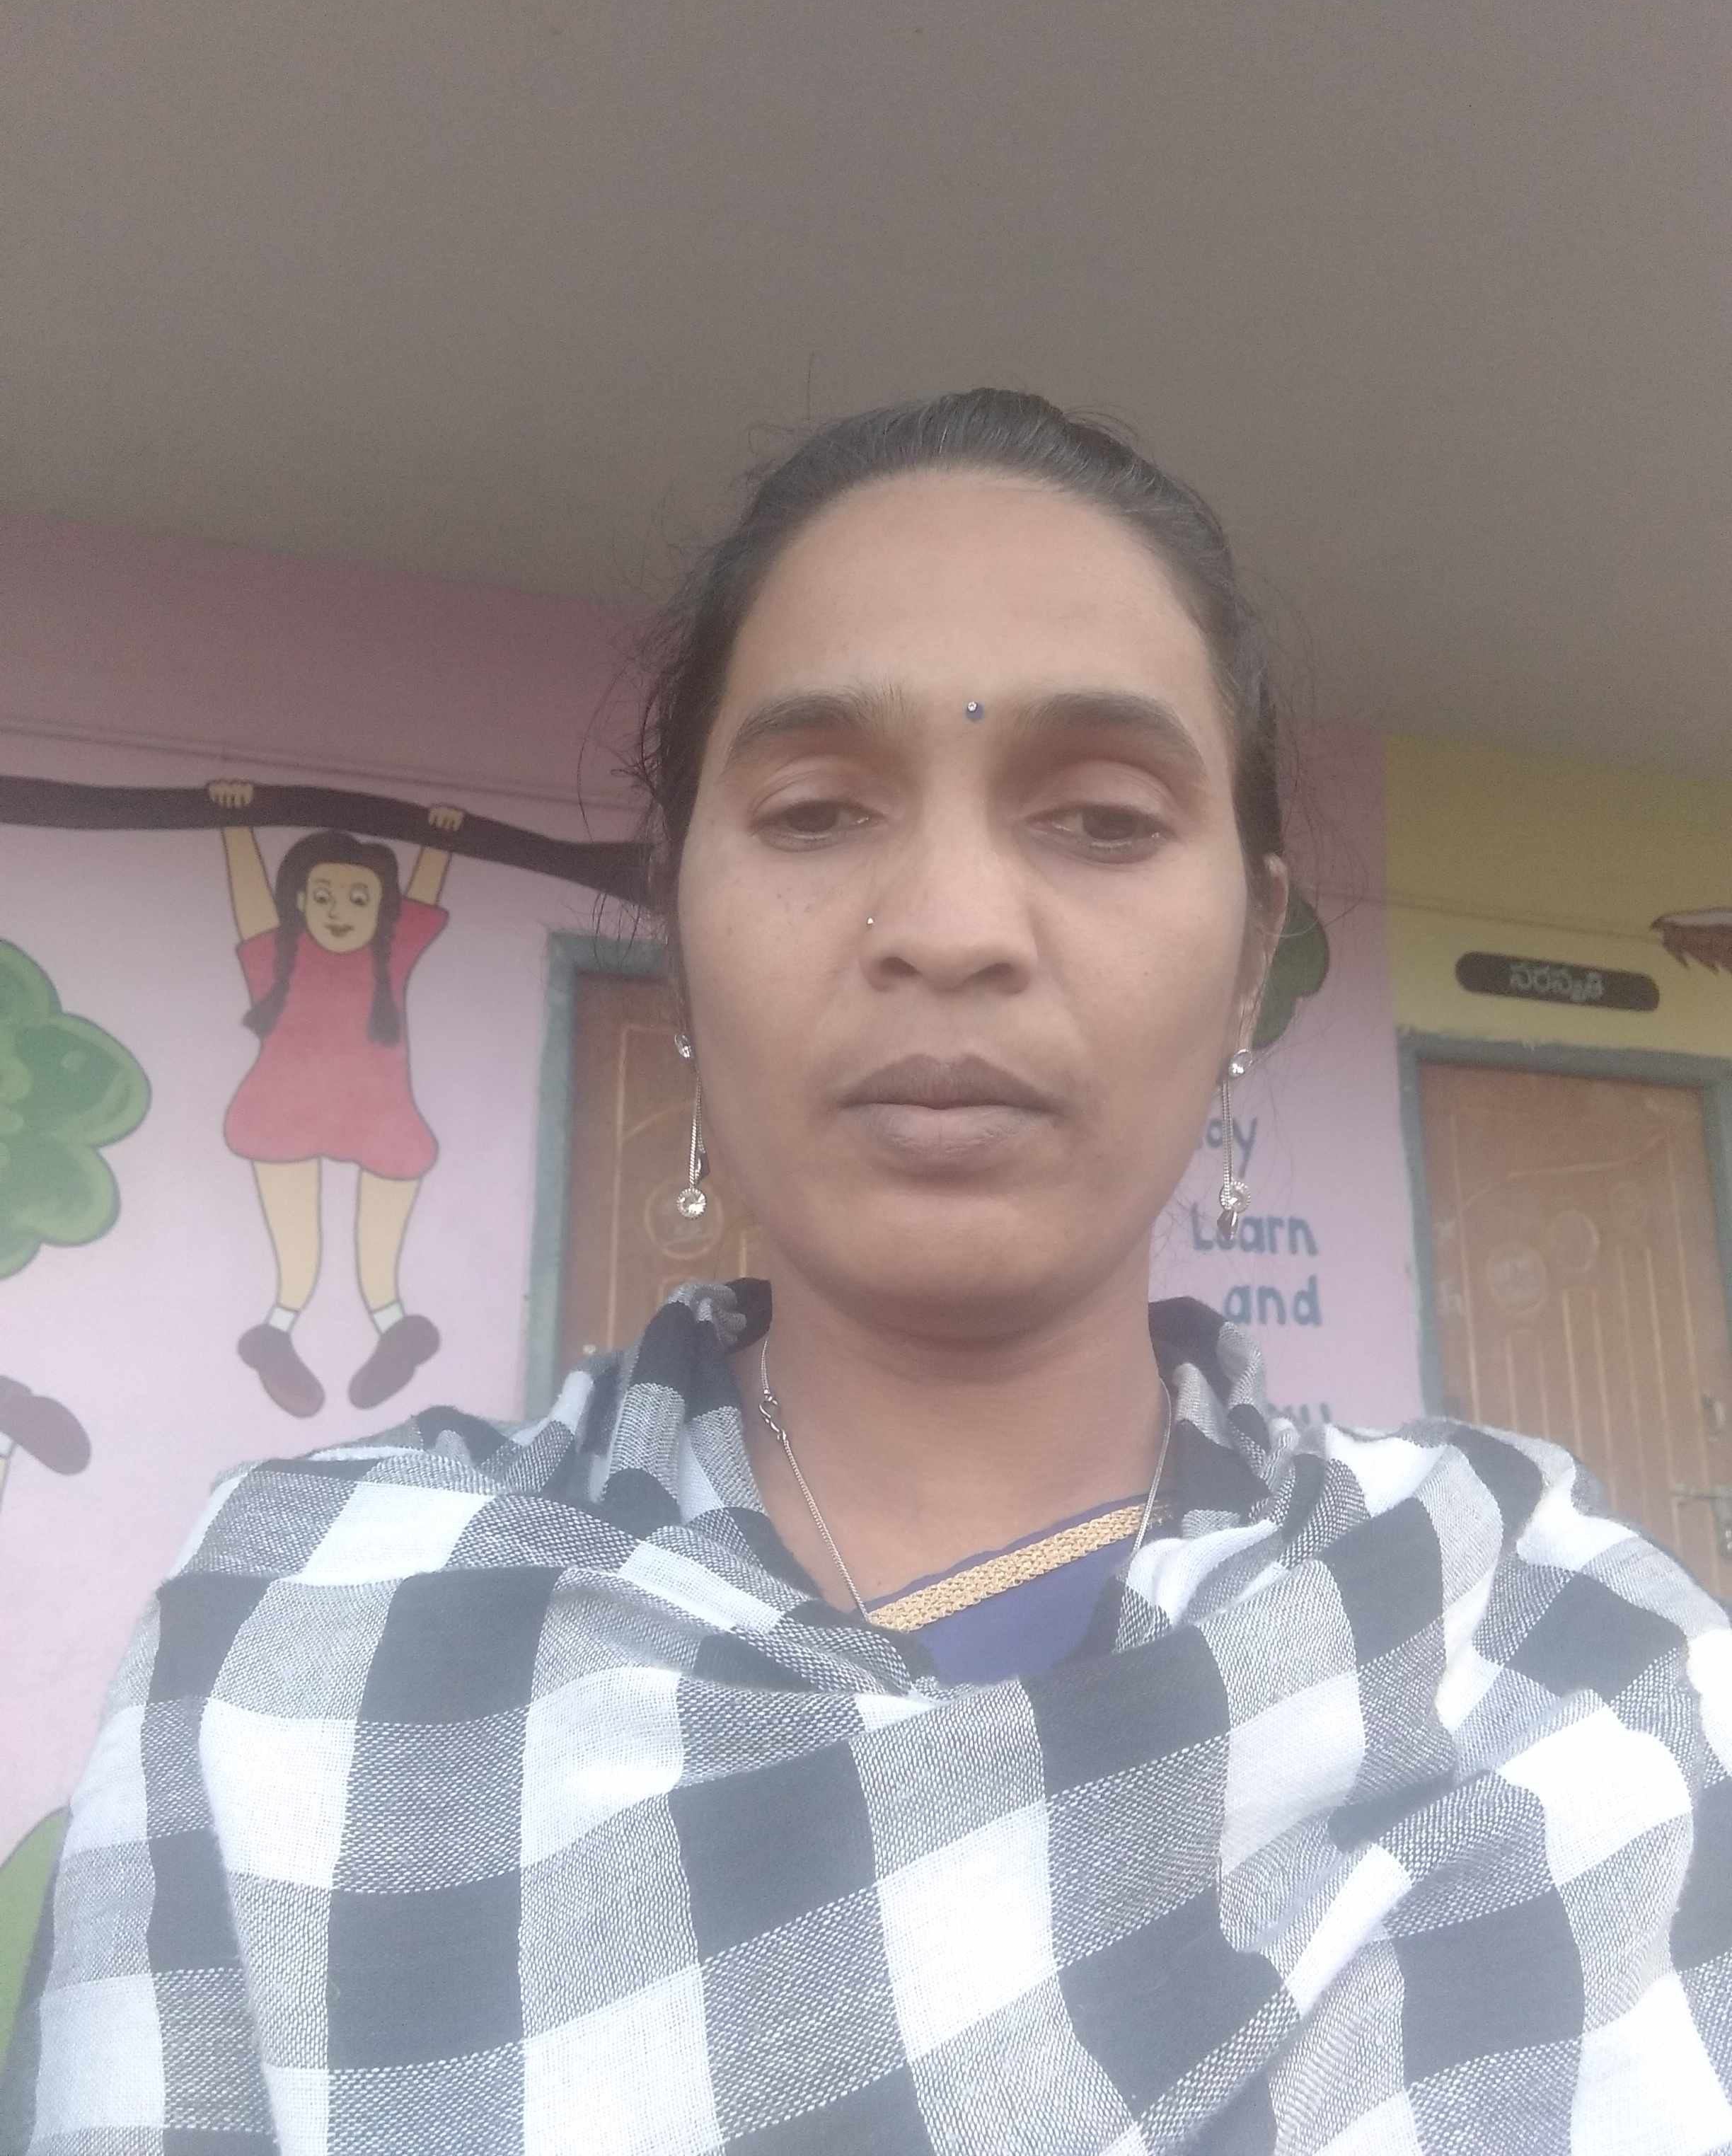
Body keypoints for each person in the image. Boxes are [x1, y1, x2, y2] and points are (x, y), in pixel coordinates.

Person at [4, 391, 1728, 2152]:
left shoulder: (1547, 1642)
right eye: (820, 810)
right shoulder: (305, 1643)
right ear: (678, 938)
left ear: (1247, 963)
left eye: (1102, 818)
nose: (953, 929)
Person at [208, 790, 462, 1416]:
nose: (339, 912)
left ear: (382, 910)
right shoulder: (277, 957)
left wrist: (440, 839)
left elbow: (422, 896)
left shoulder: (390, 956)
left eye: (358, 899)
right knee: (298, 1258)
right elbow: (248, 897)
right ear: (298, 900)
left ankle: (393, 1327)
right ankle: (278, 1332)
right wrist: (234, 820)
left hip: (380, 1120)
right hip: (282, 1114)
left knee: (379, 1260)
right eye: (322, 897)